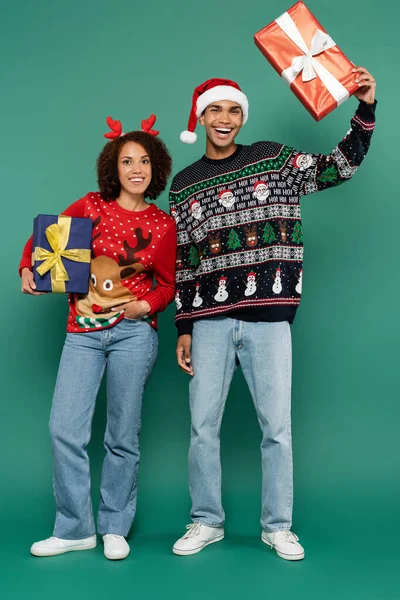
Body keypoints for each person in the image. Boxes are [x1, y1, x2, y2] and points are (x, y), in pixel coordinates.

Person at [170, 71, 376, 560]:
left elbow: (338, 167)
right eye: (216, 111)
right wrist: (183, 326)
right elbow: (184, 261)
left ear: (243, 117)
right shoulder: (183, 185)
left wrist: (365, 108)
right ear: (201, 118)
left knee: (276, 428)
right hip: (209, 320)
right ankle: (206, 521)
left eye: (234, 111)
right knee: (203, 427)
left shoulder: (272, 158)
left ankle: (277, 526)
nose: (225, 119)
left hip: (270, 317)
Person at [19, 115, 176, 560]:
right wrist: (28, 267)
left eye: (144, 160)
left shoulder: (163, 227)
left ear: (155, 168)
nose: (136, 168)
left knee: (122, 435)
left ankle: (114, 527)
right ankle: (74, 529)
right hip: (82, 333)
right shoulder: (89, 206)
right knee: (64, 429)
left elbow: (168, 284)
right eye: (127, 161)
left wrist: (147, 306)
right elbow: (45, 244)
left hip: (133, 335)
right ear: (115, 168)